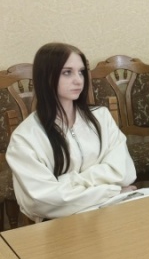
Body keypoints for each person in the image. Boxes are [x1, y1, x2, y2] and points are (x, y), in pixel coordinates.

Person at [6, 43, 137, 220]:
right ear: (46, 76)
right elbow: (42, 201)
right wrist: (108, 191)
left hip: (111, 211)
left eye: (81, 72)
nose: (78, 80)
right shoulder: (25, 137)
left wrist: (65, 183)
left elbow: (124, 172)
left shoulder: (102, 117)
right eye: (67, 72)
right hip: (59, 222)